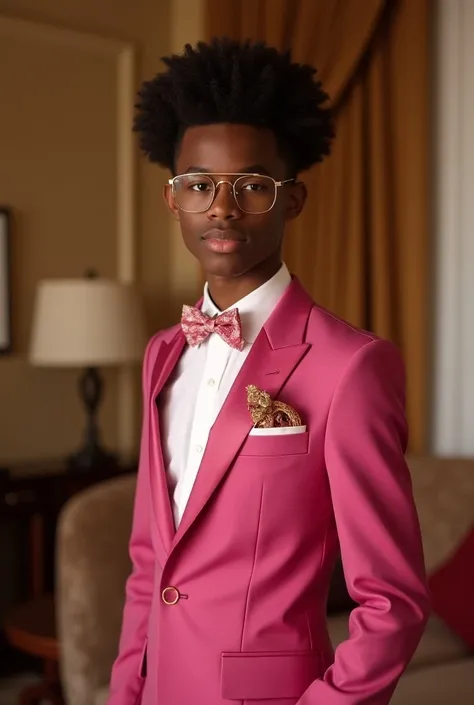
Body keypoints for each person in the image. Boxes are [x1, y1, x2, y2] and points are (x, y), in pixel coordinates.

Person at [107, 37, 430, 705]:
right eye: (199, 184)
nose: (221, 208)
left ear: (294, 199)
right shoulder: (162, 353)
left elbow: (392, 600)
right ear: (173, 199)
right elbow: (150, 566)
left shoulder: (351, 366)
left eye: (252, 185)